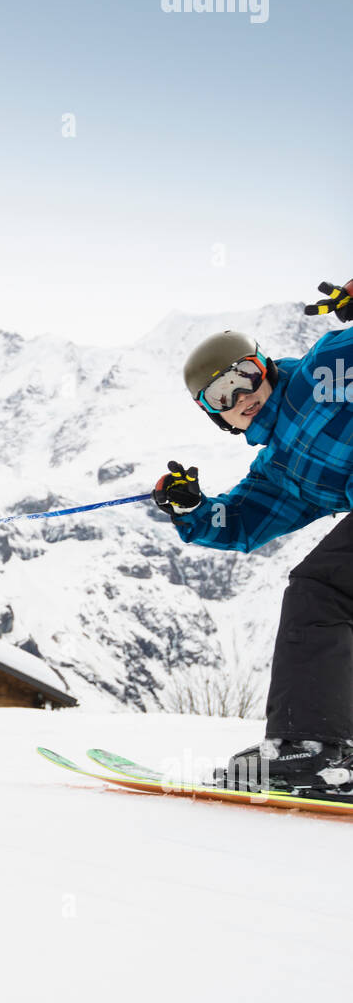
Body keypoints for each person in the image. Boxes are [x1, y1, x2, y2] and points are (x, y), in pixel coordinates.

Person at [152, 278, 353, 796]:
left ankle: (310, 748)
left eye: (244, 376)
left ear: (264, 366)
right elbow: (241, 522)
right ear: (213, 415)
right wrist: (194, 509)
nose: (239, 396)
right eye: (220, 394)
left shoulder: (321, 372)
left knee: (321, 589)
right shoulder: (281, 472)